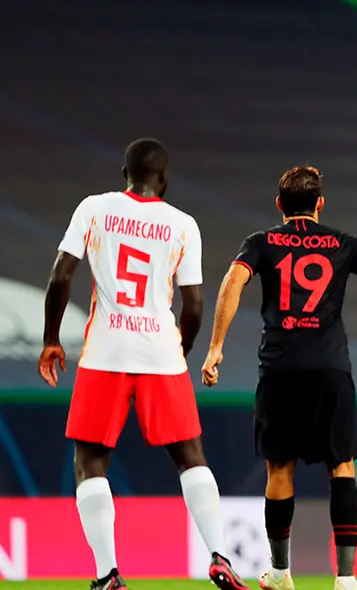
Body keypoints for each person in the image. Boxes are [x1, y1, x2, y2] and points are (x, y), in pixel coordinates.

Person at [200, 166, 357, 590]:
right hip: (330, 369)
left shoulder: (262, 242)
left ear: (279, 205)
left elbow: (234, 280)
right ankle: (345, 578)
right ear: (320, 203)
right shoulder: (345, 243)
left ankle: (282, 573)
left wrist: (216, 347)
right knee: (341, 466)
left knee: (279, 469)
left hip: (280, 369)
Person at [37, 138, 249, 590]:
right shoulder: (183, 224)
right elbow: (193, 303)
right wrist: (180, 351)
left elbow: (61, 275)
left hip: (105, 351)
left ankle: (107, 574)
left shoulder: (94, 208)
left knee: (90, 462)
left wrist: (51, 339)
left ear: (124, 173)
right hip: (160, 351)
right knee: (191, 458)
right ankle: (219, 555)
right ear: (164, 179)